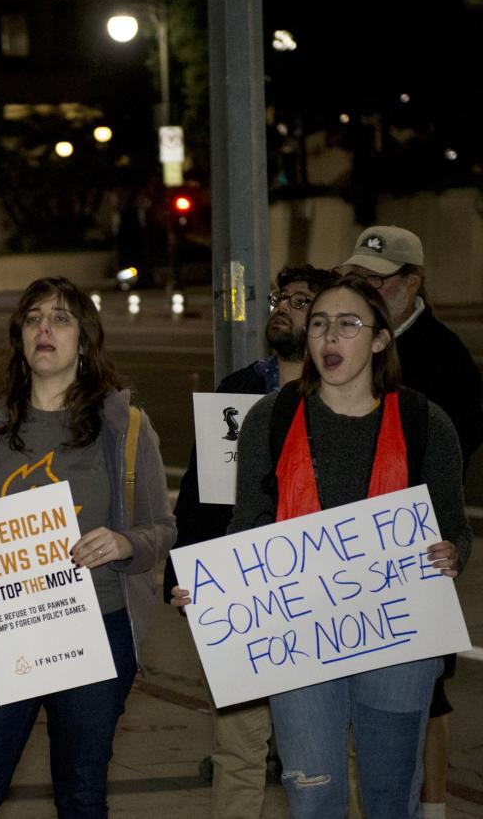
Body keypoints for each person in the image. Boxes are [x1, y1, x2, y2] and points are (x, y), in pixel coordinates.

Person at [173, 276, 470, 818]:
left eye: (348, 324)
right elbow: (249, 525)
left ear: (380, 340)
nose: (330, 337)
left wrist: (452, 554)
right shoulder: (272, 416)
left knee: (389, 796)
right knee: (313, 796)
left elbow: (454, 528)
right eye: (319, 325)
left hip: (399, 643)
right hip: (301, 645)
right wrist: (219, 589)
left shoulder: (426, 422)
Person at [0, 276, 176, 818]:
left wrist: (122, 543)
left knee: (80, 793)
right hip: (8, 633)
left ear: (84, 340)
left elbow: (162, 527)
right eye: (33, 318)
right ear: (20, 338)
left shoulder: (126, 429)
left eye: (61, 318)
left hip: (97, 628)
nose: (45, 328)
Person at [162, 264, 338, 818]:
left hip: (321, 597)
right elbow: (198, 494)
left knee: (329, 754)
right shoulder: (235, 392)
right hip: (245, 597)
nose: (283, 307)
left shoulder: (343, 395)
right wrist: (180, 573)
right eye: (280, 298)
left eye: (301, 300)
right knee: (237, 750)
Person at [335, 225, 482, 819]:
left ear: (412, 283)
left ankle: (433, 808)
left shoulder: (444, 357)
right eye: (358, 279)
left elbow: (454, 455)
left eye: (378, 279)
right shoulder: (351, 338)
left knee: (429, 695)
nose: (367, 289)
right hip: (346, 552)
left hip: (407, 549)